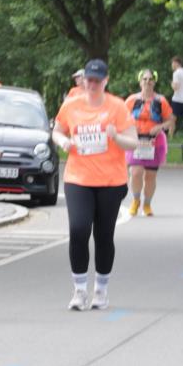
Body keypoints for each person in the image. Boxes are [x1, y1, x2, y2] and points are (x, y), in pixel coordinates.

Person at [53, 59, 138, 311]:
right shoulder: (71, 105)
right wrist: (63, 142)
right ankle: (79, 290)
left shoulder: (118, 106)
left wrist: (116, 136)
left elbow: (133, 143)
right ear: (83, 80)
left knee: (103, 235)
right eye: (89, 80)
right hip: (78, 178)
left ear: (105, 82)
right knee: (79, 230)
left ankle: (101, 289)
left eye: (97, 81)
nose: (92, 85)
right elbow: (57, 130)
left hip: (111, 181)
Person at [124, 68, 174, 216]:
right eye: (144, 79)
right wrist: (130, 130)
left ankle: (147, 204)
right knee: (135, 172)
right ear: (140, 82)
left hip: (154, 143)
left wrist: (160, 127)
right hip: (136, 141)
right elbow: (121, 118)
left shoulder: (161, 101)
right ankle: (135, 200)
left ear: (154, 82)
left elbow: (171, 121)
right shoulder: (131, 100)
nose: (147, 82)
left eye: (150, 79)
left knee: (150, 176)